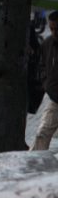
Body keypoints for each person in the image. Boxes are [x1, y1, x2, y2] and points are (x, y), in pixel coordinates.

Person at [31, 11, 58, 150]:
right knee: (42, 133)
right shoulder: (48, 44)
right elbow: (41, 66)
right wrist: (46, 83)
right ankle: (32, 164)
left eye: (56, 29)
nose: (54, 32)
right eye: (52, 28)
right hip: (55, 99)